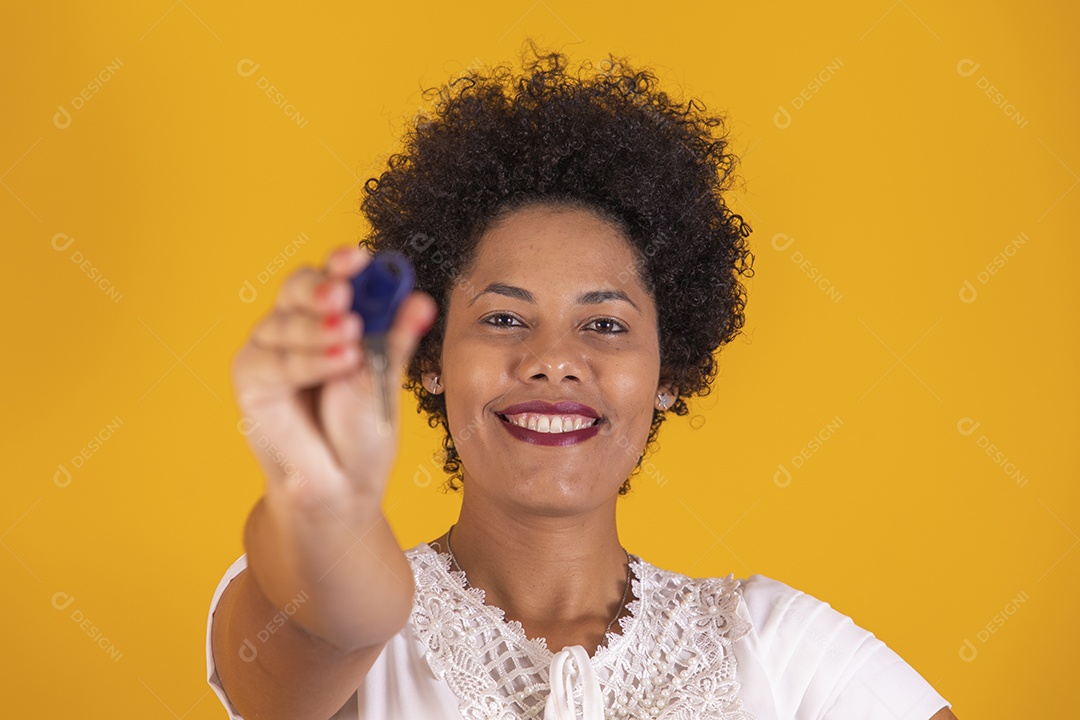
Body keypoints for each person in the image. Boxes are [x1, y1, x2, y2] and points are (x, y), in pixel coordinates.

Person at [206, 42, 957, 720]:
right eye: (503, 319)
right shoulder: (357, 624)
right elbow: (337, 617)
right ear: (430, 358)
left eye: (605, 326)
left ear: (670, 371)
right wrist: (325, 504)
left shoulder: (783, 653)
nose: (553, 359)